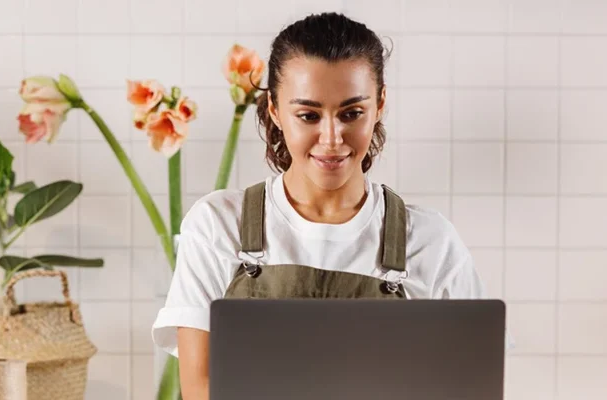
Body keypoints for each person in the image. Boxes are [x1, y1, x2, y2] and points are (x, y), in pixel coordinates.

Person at [150, 12, 489, 400]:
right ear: (275, 110)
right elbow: (201, 389)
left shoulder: (430, 239)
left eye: (351, 113)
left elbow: (471, 385)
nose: (331, 139)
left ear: (379, 104)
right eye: (308, 115)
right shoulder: (217, 225)